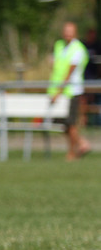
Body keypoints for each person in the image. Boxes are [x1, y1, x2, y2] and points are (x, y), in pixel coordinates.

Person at [48, 21, 91, 160]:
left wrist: (58, 92)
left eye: (70, 31)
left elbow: (69, 74)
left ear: (75, 33)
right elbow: (56, 67)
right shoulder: (59, 45)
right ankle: (82, 143)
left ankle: (72, 152)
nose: (67, 34)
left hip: (71, 91)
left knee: (70, 123)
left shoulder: (78, 49)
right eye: (66, 30)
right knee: (63, 125)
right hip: (57, 90)